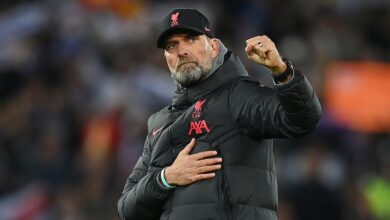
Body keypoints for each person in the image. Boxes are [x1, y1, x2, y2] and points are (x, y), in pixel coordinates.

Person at [118, 8, 322, 220]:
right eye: (172, 46)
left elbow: (302, 119)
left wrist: (282, 71)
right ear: (166, 58)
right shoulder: (159, 123)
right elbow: (128, 210)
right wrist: (166, 177)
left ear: (214, 47)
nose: (182, 51)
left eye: (191, 39)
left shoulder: (238, 96)